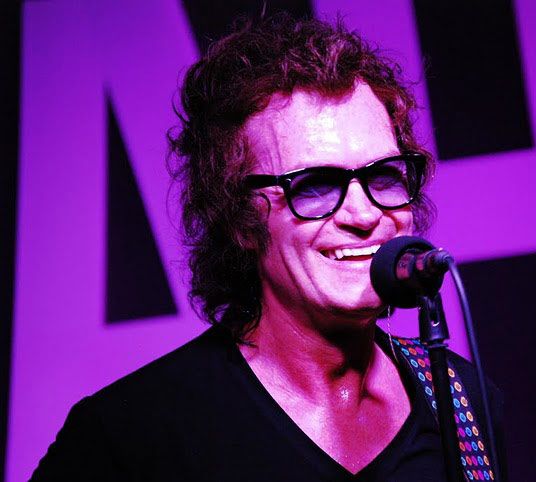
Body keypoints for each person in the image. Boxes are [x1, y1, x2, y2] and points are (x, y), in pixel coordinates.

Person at [32, 14, 503, 481]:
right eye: (314, 186)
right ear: (239, 216)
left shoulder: (463, 401)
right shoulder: (131, 434)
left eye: (383, 176)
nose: (363, 215)